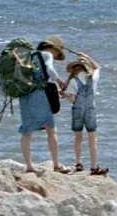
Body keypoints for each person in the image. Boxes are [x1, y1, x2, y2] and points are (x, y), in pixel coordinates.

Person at [15, 37, 63, 171]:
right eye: (56, 51)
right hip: (39, 95)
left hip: (24, 96)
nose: (55, 55)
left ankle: (29, 166)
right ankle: (56, 165)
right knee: (51, 129)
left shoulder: (26, 57)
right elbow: (50, 70)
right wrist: (60, 82)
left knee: (27, 132)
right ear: (50, 48)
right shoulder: (46, 55)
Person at [61, 53, 104, 174]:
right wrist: (87, 56)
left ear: (75, 69)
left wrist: (65, 95)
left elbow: (73, 100)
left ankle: (79, 163)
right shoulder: (92, 78)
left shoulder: (73, 81)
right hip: (91, 110)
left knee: (78, 137)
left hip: (78, 111)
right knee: (92, 138)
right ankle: (94, 166)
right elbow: (98, 67)